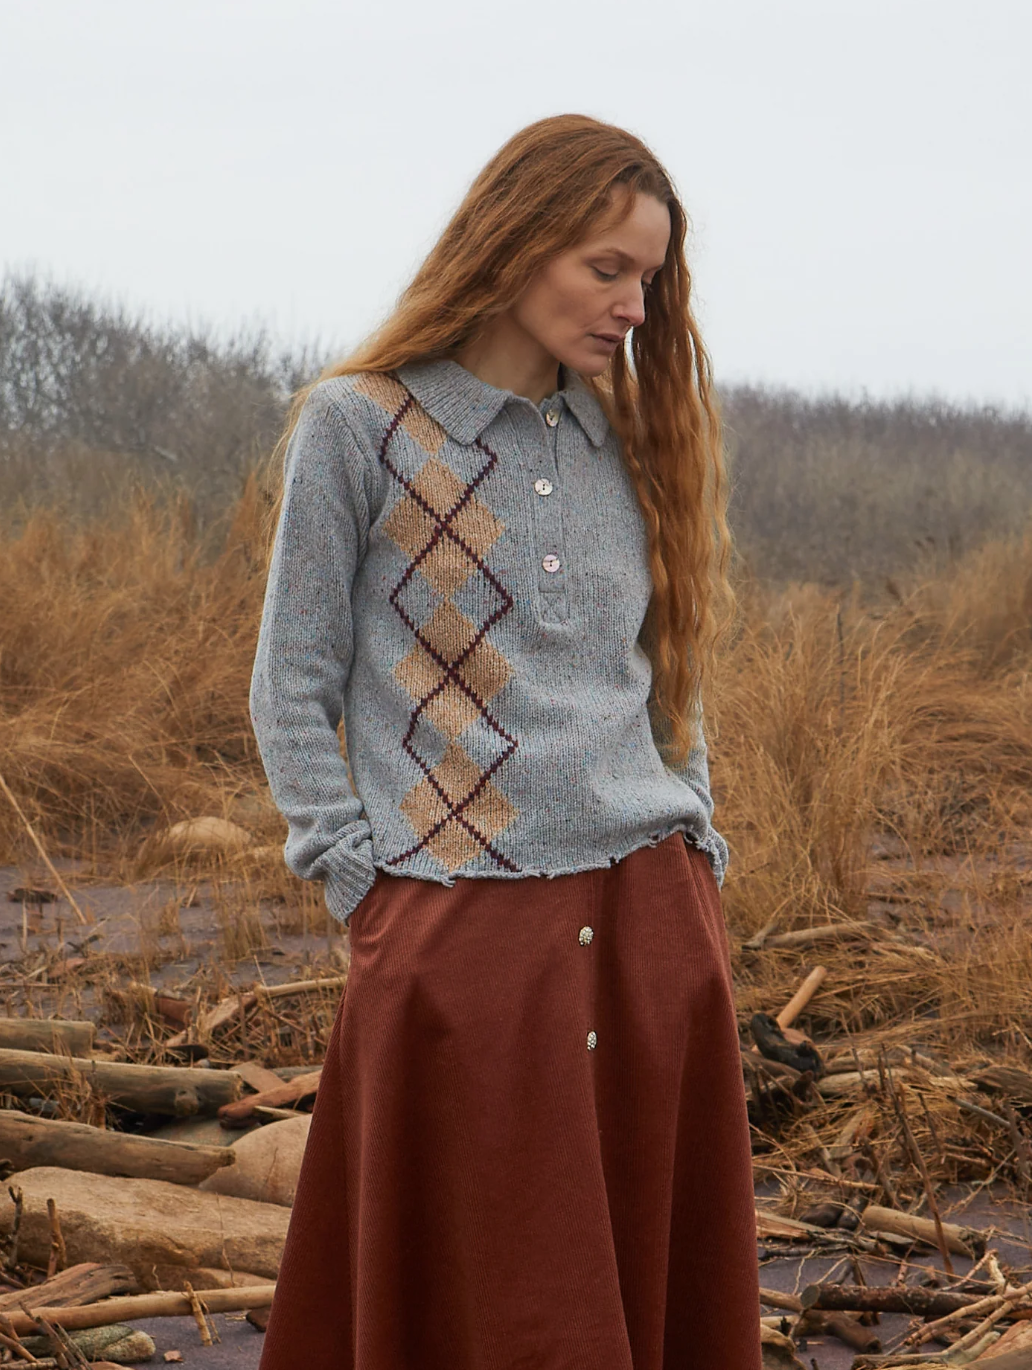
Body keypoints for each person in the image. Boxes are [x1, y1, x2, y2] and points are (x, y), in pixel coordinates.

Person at [249, 112, 761, 1370]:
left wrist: (695, 847)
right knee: (485, 1302)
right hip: (455, 924)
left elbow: (668, 678)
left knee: (642, 1290)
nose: (635, 303)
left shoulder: (634, 441)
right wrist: (359, 882)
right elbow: (290, 680)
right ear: (516, 240)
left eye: (649, 274)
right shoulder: (357, 426)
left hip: (652, 925)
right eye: (606, 267)